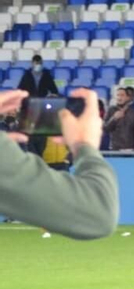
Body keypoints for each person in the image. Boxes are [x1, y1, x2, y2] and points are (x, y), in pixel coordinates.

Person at [0, 88, 116, 237]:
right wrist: (84, 145)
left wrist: (68, 159)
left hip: (61, 164)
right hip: (46, 164)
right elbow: (98, 216)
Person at [106, 86, 134, 150]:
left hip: (130, 149)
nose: (119, 97)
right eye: (118, 95)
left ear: (127, 98)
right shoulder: (111, 110)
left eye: (122, 95)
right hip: (115, 148)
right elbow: (106, 128)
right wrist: (114, 118)